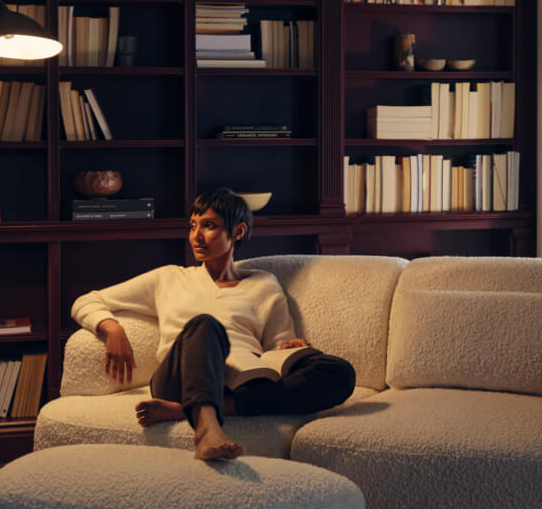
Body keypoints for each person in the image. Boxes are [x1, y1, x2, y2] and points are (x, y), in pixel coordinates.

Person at [70, 188, 356, 461]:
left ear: (238, 231)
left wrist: (293, 348)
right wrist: (112, 329)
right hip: (179, 379)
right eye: (193, 226)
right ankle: (207, 428)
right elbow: (86, 301)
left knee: (339, 372)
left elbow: (276, 347)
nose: (197, 236)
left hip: (241, 379)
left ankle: (185, 411)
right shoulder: (169, 278)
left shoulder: (265, 283)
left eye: (208, 226)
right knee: (206, 325)